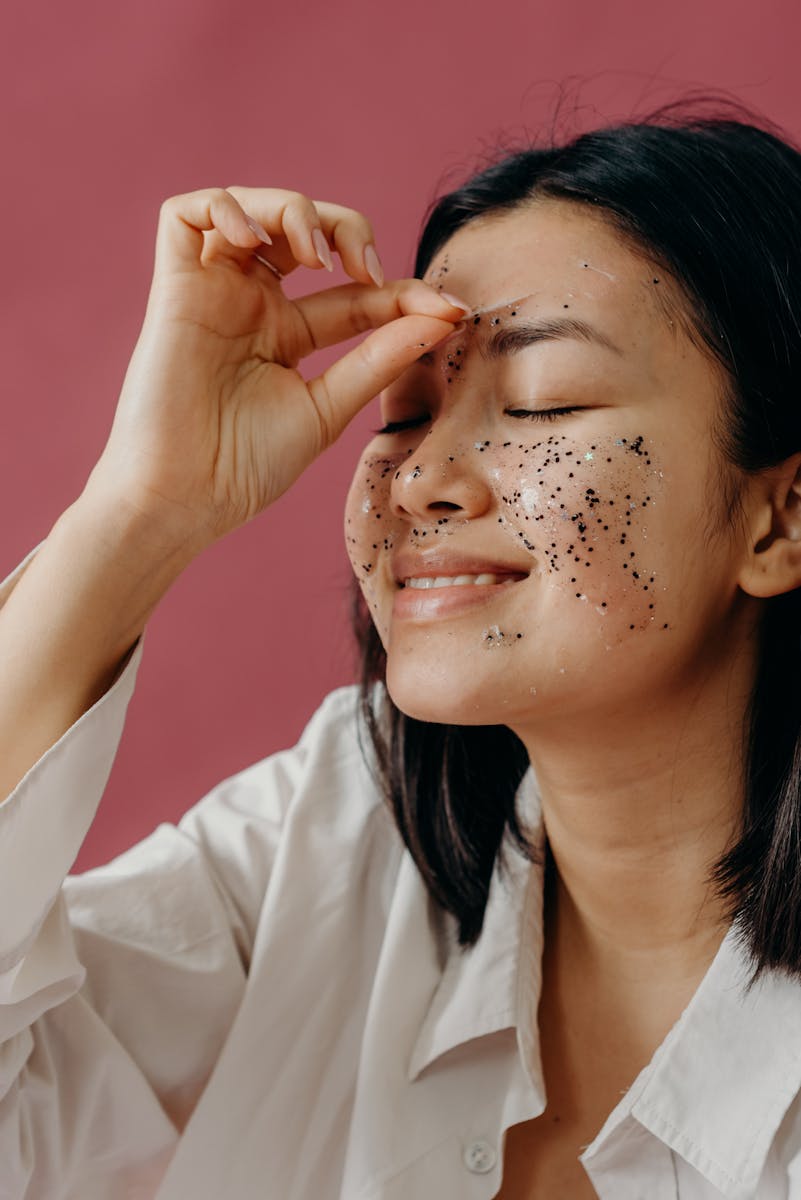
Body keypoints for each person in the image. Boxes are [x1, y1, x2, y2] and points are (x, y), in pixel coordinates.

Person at [4, 102, 801, 1199]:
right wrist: (139, 511)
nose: (422, 476)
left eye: (539, 403)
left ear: (782, 518)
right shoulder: (334, 841)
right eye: (403, 412)